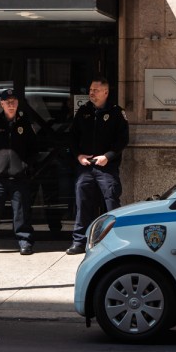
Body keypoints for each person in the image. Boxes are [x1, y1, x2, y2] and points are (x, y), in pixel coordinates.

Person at [67, 77, 129, 255]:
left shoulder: (117, 112)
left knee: (111, 202)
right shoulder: (83, 111)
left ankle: (116, 240)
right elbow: (72, 137)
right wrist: (78, 156)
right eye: (90, 89)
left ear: (105, 92)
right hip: (85, 166)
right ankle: (79, 241)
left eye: (95, 90)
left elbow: (123, 139)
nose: (91, 93)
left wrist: (108, 157)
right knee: (82, 203)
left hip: (106, 167)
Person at [0, 89, 37, 255]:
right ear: (1, 104)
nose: (11, 104)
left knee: (21, 213)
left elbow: (34, 148)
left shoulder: (25, 124)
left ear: (17, 103)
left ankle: (25, 242)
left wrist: (25, 166)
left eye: (13, 101)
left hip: (19, 178)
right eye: (7, 101)